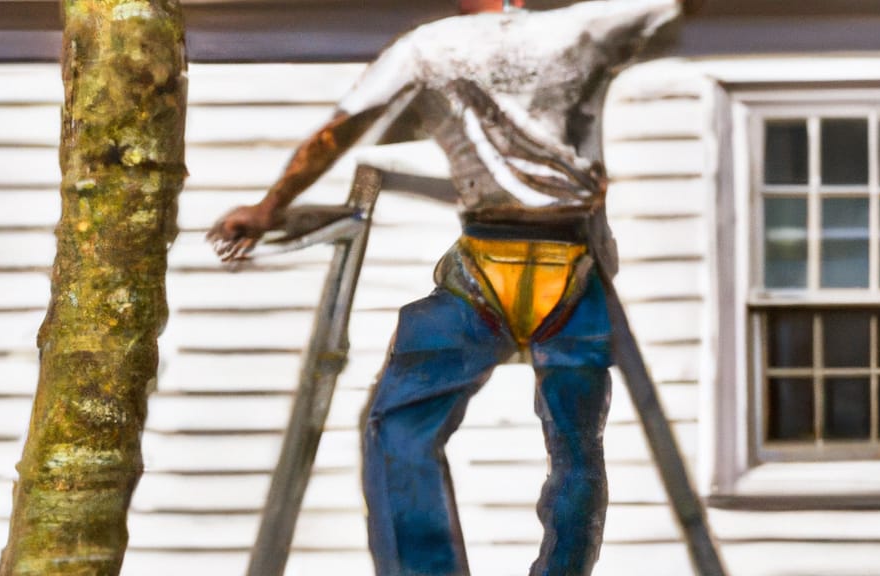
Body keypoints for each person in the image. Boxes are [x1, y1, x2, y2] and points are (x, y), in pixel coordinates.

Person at [207, 1, 682, 574]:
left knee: (400, 424)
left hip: (488, 260)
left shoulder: (429, 47)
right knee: (577, 446)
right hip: (571, 265)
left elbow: (340, 131)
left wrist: (269, 206)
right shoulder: (579, 28)